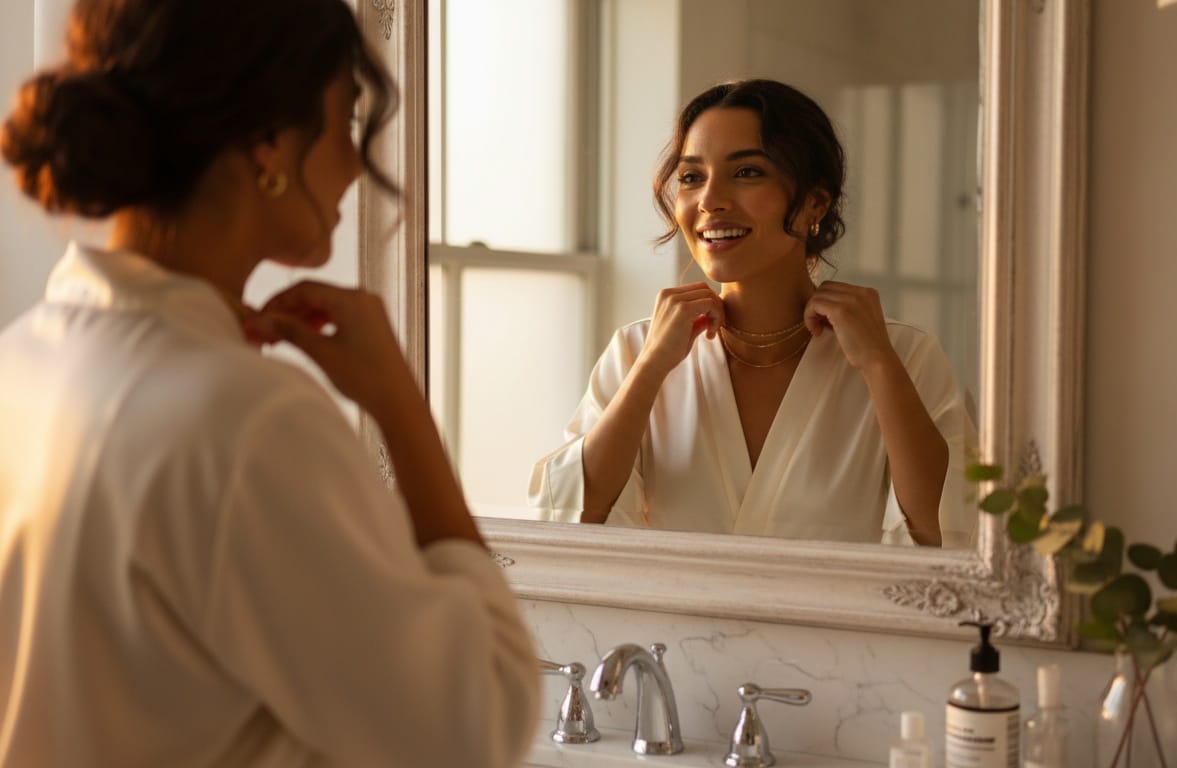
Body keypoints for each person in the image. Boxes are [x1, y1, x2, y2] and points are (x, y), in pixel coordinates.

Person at [0, 1, 537, 766]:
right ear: (269, 146)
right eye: (347, 118)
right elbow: (476, 726)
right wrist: (400, 409)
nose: (355, 165)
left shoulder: (21, 363)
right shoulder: (246, 423)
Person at [529, 79, 973, 548]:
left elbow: (946, 535)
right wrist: (650, 369)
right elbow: (567, 525)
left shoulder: (903, 354)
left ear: (814, 203)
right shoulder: (637, 351)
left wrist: (880, 366)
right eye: (691, 176)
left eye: (747, 173)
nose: (710, 200)